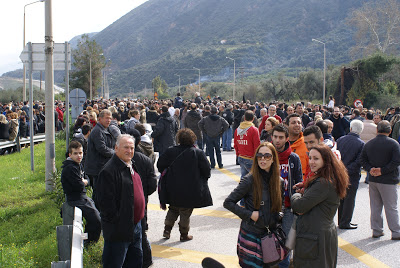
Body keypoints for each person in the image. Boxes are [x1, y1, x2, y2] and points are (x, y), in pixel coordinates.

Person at [224, 142, 283, 268]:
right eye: (259, 156)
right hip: (251, 234)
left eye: (267, 156)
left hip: (270, 235)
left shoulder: (279, 181)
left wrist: (279, 216)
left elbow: (280, 205)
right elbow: (228, 202)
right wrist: (249, 214)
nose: (263, 159)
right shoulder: (249, 180)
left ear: (273, 159)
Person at [291, 144, 349, 267]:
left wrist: (296, 196)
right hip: (322, 235)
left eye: (316, 158)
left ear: (326, 160)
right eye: (310, 158)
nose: (311, 162)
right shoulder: (328, 178)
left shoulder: (323, 183)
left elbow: (299, 206)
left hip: (314, 238)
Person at [97, 134, 146, 268]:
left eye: (131, 148)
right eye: (126, 147)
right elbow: (105, 204)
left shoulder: (130, 164)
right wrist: (118, 222)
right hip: (119, 230)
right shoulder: (109, 171)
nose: (129, 151)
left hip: (135, 226)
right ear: (116, 148)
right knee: (115, 264)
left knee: (135, 262)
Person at [157, 128, 212, 241]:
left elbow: (160, 165)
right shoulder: (198, 152)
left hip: (173, 186)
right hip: (191, 188)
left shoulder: (170, 151)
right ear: (193, 139)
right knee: (185, 211)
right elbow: (207, 171)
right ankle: (184, 234)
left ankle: (167, 229)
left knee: (173, 208)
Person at [360, 120, 400, 240]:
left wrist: (370, 169)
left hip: (373, 179)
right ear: (390, 131)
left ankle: (377, 230)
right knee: (391, 207)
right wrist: (383, 170)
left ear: (377, 130)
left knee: (375, 206)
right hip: (388, 179)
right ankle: (396, 231)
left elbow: (362, 160)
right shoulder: (394, 144)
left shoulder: (369, 144)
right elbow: (396, 161)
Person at [270, 124, 302, 268]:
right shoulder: (266, 155)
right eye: (275, 137)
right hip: (270, 205)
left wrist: (297, 203)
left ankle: (284, 265)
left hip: (288, 207)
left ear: (287, 138)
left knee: (287, 240)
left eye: (281, 137)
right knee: (270, 239)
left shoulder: (293, 158)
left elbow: (298, 181)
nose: (277, 140)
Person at [61, 141, 101, 246]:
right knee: (97, 220)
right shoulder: (70, 168)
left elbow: (88, 179)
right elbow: (79, 185)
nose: (79, 156)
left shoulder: (78, 165)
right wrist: (83, 181)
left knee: (96, 218)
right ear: (70, 155)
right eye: (76, 153)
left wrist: (84, 181)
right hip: (76, 199)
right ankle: (89, 243)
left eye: (80, 153)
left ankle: (88, 241)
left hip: (82, 198)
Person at [336, 120, 365, 229]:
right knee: (350, 199)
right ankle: (345, 221)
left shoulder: (340, 140)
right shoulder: (361, 144)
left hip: (339, 172)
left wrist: (341, 169)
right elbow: (359, 161)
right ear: (361, 130)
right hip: (352, 175)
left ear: (351, 128)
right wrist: (348, 170)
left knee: (341, 198)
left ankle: (341, 220)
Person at [85, 109, 116, 206]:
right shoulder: (97, 131)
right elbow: (102, 149)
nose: (109, 120)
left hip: (102, 167)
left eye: (110, 118)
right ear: (99, 119)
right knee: (98, 195)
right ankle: (97, 216)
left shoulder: (105, 129)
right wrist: (116, 153)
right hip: (97, 168)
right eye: (106, 118)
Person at [234, 110, 260, 177]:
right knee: (254, 179)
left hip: (241, 156)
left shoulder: (237, 130)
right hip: (250, 158)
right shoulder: (254, 130)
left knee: (244, 178)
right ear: (253, 119)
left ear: (244, 118)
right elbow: (257, 145)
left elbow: (235, 144)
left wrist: (238, 154)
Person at [285, 114, 309, 179]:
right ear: (287, 125)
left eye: (299, 123)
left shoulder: (307, 144)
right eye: (293, 123)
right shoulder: (281, 143)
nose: (297, 125)